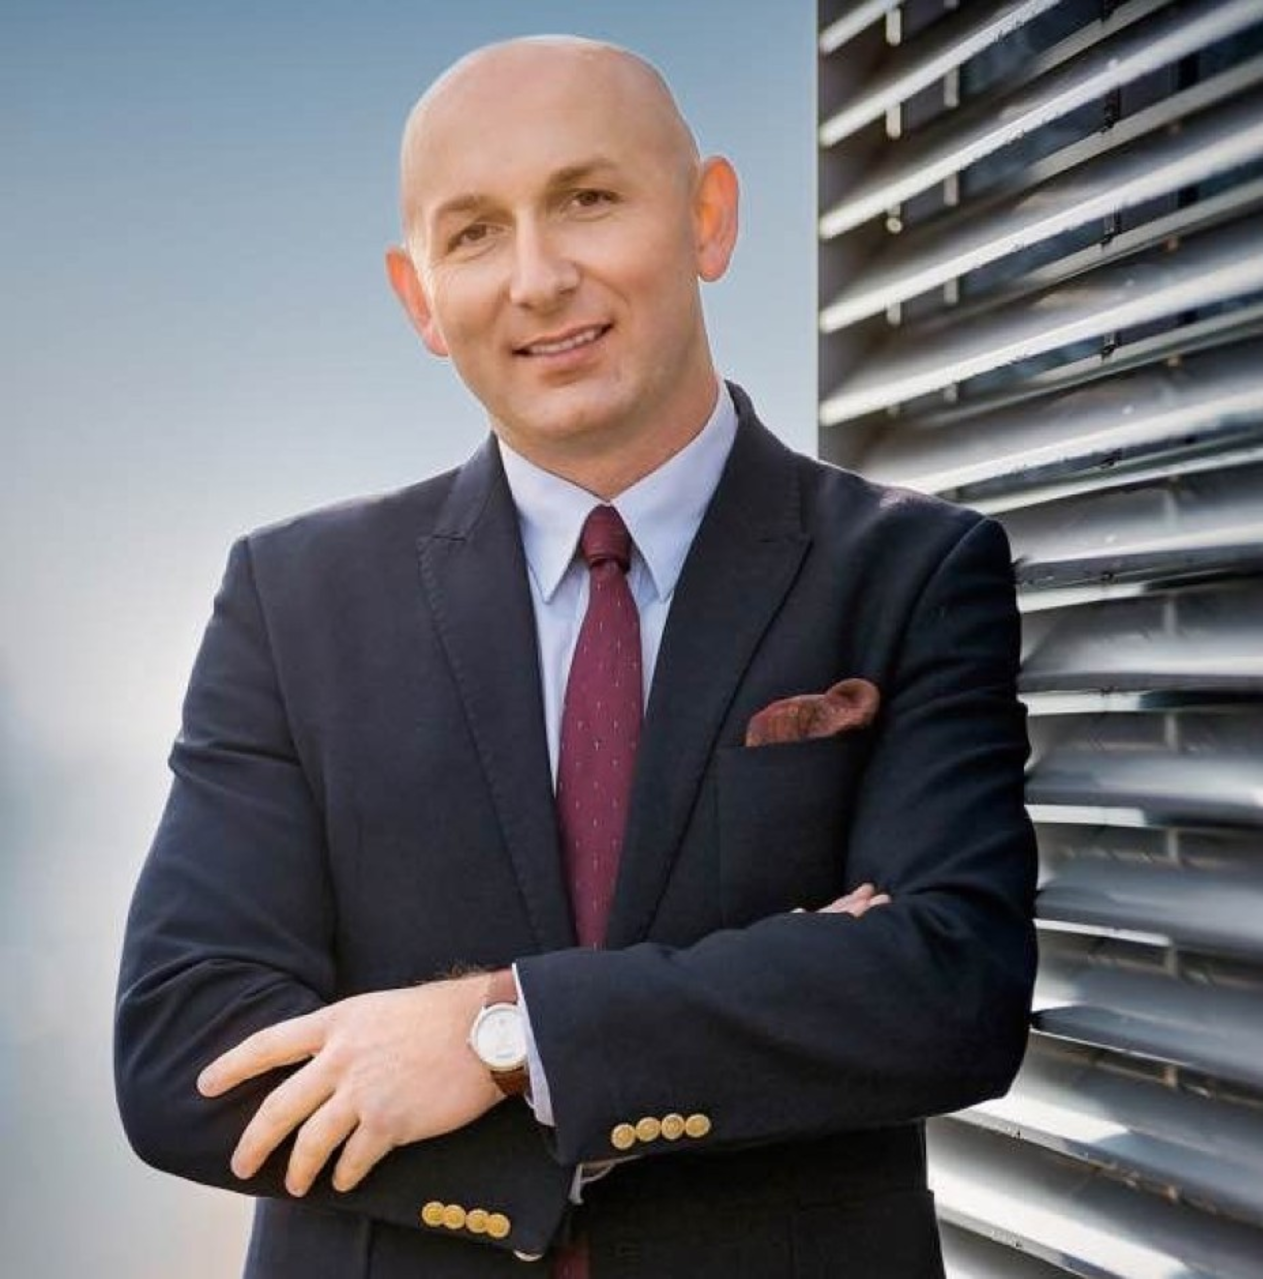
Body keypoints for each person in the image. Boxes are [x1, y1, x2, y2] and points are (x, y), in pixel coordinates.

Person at [115, 35, 1037, 1279]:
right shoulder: (292, 598)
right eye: (474, 233)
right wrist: (757, 1007)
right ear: (418, 297)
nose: (538, 279)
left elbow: (946, 989)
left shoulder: (911, 571)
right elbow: (188, 1054)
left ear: (707, 218)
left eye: (587, 200)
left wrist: (495, 1037)